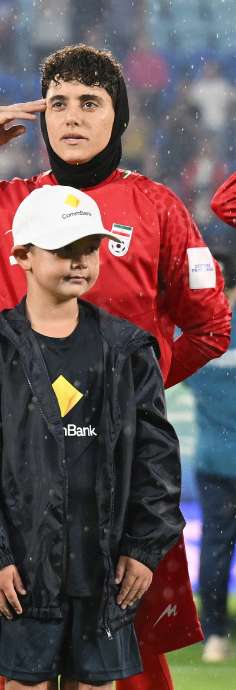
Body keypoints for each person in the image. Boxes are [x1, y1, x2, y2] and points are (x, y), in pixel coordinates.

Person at [0, 44, 222, 689]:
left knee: (132, 665)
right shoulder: (0, 204)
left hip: (118, 474)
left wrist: (132, 392)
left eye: (90, 102)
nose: (72, 116)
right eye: (58, 103)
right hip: (20, 477)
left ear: (118, 118)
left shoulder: (158, 208)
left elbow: (211, 326)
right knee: (23, 666)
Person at [0, 186, 184, 689]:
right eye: (63, 249)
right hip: (21, 568)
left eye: (89, 248)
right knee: (25, 683)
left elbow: (156, 459)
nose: (79, 261)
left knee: (95, 685)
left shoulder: (127, 348)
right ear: (22, 256)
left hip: (106, 567)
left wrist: (143, 547)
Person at [182, 251, 236, 663]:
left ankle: (215, 633)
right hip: (218, 458)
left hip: (214, 459)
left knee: (216, 547)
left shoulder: (201, 332)